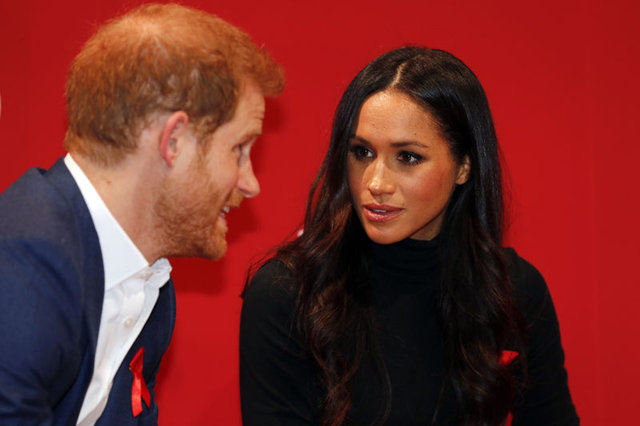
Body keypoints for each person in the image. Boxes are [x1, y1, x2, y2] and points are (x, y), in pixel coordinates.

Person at [240, 46, 578, 425]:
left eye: (408, 157)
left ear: (464, 166)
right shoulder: (287, 293)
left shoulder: (513, 290)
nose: (376, 182)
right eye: (362, 152)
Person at [0, 3, 283, 425]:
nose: (250, 183)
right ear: (174, 142)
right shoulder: (26, 262)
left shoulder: (150, 287)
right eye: (239, 149)